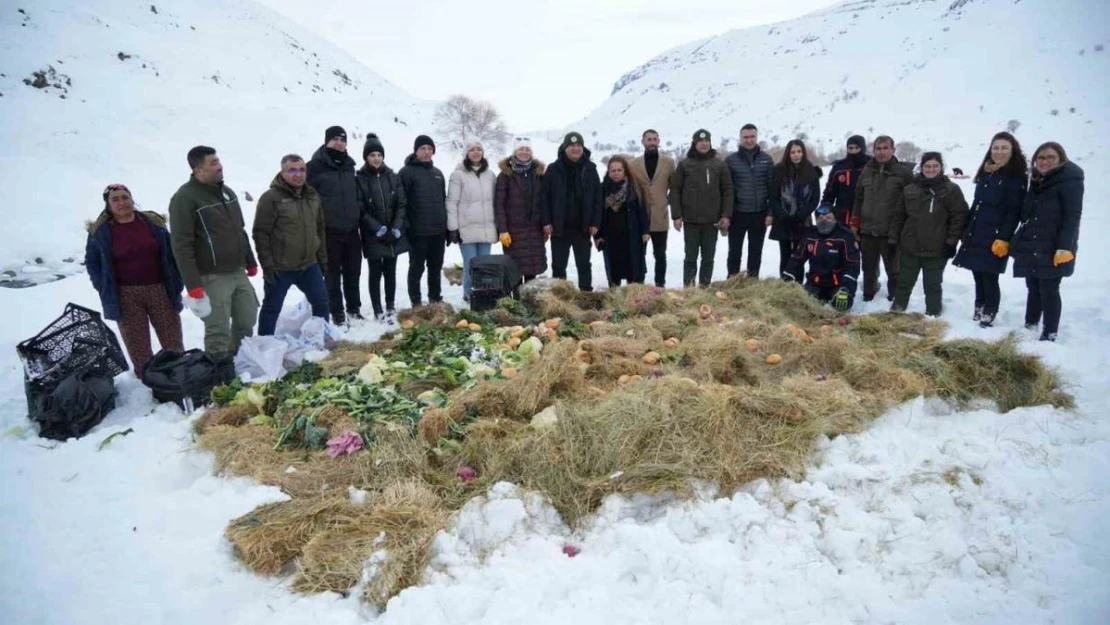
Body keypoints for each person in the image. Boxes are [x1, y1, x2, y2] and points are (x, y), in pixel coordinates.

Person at [86, 183, 184, 377]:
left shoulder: (153, 223)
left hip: (159, 289)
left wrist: (177, 280)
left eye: (125, 197)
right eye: (115, 199)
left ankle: (179, 373)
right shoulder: (100, 231)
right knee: (137, 345)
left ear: (132, 199)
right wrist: (102, 286)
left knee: (172, 339)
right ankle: (149, 379)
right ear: (108, 205)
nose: (122, 202)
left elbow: (172, 254)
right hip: (125, 294)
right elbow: (92, 262)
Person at [168, 146, 258, 356]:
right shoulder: (185, 198)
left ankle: (239, 360)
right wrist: (192, 283)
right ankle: (218, 374)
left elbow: (240, 230)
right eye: (213, 163)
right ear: (198, 170)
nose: (220, 166)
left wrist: (250, 259)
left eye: (219, 161)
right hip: (212, 276)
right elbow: (181, 244)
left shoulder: (226, 192)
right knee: (218, 329)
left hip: (237, 271)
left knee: (247, 319)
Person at [952, 132, 1027, 327]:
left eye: (1004, 148)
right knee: (977, 272)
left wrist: (1003, 237)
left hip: (995, 235)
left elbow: (1014, 212)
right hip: (977, 230)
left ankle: (989, 312)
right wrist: (966, 229)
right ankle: (979, 306)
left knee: (990, 275)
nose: (999, 152)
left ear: (1013, 151)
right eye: (996, 148)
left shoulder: (1016, 176)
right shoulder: (986, 171)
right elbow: (977, 203)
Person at [1010, 142, 1083, 342]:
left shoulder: (1070, 180)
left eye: (1050, 157)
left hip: (1053, 245)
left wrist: (1064, 247)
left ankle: (1049, 333)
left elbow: (1072, 216)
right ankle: (1030, 325)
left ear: (1061, 159)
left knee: (1049, 288)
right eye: (1040, 157)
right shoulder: (1037, 181)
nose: (1045, 161)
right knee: (1032, 285)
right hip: (1033, 241)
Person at [252, 154, 329, 336]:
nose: (298, 174)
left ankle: (321, 338)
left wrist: (322, 259)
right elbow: (260, 233)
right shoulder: (271, 198)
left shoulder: (312, 196)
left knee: (321, 302)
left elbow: (319, 228)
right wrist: (268, 265)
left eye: (302, 170)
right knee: (272, 308)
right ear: (283, 172)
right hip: (281, 267)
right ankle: (265, 345)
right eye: (292, 170)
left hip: (309, 265)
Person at [888, 152, 969, 316]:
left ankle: (933, 314)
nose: (931, 169)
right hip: (910, 246)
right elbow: (899, 216)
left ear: (941, 167)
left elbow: (959, 217)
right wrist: (893, 239)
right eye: (927, 166)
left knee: (932, 284)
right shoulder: (910, 189)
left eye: (935, 166)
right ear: (922, 167)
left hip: (937, 248)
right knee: (904, 282)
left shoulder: (951, 190)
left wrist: (952, 242)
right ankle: (897, 311)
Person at [307, 126, 363, 324]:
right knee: (332, 276)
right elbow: (307, 200)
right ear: (327, 141)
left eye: (343, 139)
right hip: (328, 232)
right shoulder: (314, 167)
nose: (339, 142)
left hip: (351, 230)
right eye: (335, 139)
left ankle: (354, 308)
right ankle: (337, 312)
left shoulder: (349, 165)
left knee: (353, 272)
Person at [851, 135, 914, 301]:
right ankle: (868, 295)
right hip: (867, 229)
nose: (882, 152)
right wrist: (855, 221)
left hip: (891, 231)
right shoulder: (867, 170)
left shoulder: (903, 173)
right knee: (868, 267)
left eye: (885, 148)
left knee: (894, 268)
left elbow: (911, 202)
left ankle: (895, 297)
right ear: (873, 151)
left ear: (893, 150)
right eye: (878, 149)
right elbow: (858, 197)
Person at [670, 129, 734, 287]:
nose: (704, 144)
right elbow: (675, 190)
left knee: (708, 258)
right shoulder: (685, 164)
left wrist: (726, 215)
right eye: (700, 141)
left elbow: (728, 190)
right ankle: (689, 288)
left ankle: (705, 287)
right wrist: (676, 216)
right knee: (690, 258)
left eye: (707, 141)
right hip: (691, 220)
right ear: (695, 143)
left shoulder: (719, 164)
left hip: (712, 221)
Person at [356, 133, 409, 322]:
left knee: (390, 271)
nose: (376, 158)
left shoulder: (392, 176)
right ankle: (377, 307)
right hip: (373, 234)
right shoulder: (360, 178)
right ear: (366, 157)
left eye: (379, 154)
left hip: (393, 233)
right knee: (375, 272)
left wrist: (396, 227)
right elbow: (360, 207)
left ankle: (390, 306)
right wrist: (377, 228)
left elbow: (401, 203)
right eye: (372, 155)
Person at [543, 131, 601, 292]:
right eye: (571, 145)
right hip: (559, 227)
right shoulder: (554, 169)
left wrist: (596, 222)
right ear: (565, 148)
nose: (575, 148)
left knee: (584, 264)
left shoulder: (590, 169)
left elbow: (598, 198)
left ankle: (586, 293)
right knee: (559, 265)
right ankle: (560, 297)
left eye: (578, 145)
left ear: (582, 148)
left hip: (583, 227)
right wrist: (546, 221)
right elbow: (544, 198)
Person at [447, 138, 498, 302]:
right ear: (467, 154)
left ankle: (482, 293)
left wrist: (498, 225)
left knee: (484, 265)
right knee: (470, 264)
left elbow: (496, 202)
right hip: (466, 229)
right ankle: (469, 293)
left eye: (479, 149)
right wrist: (453, 228)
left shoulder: (490, 175)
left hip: (486, 228)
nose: (476, 152)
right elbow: (451, 202)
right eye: (472, 149)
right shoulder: (458, 175)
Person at [400, 134, 448, 306]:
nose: (427, 152)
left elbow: (443, 201)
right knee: (416, 269)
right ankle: (416, 302)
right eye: (423, 148)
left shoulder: (438, 174)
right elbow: (401, 203)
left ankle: (435, 298)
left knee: (435, 268)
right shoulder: (406, 172)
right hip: (418, 232)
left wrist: (446, 229)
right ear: (416, 151)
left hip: (438, 231)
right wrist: (407, 228)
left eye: (429, 148)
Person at [782, 206, 860, 311]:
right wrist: (788, 275)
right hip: (815, 283)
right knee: (801, 304)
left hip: (838, 285)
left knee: (842, 304)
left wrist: (846, 287)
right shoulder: (810, 235)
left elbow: (852, 265)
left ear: (835, 219)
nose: (824, 221)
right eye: (820, 218)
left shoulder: (845, 237)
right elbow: (797, 258)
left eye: (828, 218)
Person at [724, 123, 775, 277]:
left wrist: (770, 213)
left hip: (759, 213)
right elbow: (726, 189)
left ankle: (752, 281)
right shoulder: (731, 160)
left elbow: (772, 189)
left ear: (757, 137)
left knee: (755, 251)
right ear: (740, 138)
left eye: (752, 136)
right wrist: (726, 214)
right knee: (734, 251)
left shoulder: (766, 159)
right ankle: (732, 280)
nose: (749, 140)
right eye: (745, 137)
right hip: (738, 213)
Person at [769, 139, 823, 282]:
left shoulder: (811, 171)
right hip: (783, 220)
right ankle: (785, 285)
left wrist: (802, 214)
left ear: (803, 153)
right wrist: (780, 213)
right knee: (785, 255)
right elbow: (773, 196)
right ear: (788, 154)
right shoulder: (779, 170)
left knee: (800, 255)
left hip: (802, 220)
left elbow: (815, 198)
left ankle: (798, 285)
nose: (796, 155)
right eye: (793, 152)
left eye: (799, 151)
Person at [495, 137, 547, 282]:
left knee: (532, 268)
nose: (524, 152)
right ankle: (516, 300)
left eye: (527, 149)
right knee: (515, 269)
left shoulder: (538, 174)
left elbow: (543, 202)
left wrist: (545, 225)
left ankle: (529, 298)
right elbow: (499, 204)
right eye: (521, 149)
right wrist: (503, 230)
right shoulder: (505, 175)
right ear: (514, 152)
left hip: (535, 229)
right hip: (513, 231)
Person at [629, 129, 676, 287]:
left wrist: (665, 201)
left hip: (660, 215)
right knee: (638, 254)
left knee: (660, 254)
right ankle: (638, 284)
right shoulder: (633, 164)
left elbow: (674, 187)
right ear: (643, 142)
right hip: (639, 217)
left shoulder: (669, 163)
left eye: (654, 139)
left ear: (659, 141)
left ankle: (660, 285)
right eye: (649, 139)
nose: (652, 142)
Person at [596, 155, 650, 287]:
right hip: (611, 237)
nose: (616, 173)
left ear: (625, 171)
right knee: (614, 272)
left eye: (619, 170)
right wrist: (598, 235)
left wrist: (645, 231)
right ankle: (615, 299)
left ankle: (633, 299)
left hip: (632, 236)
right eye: (613, 170)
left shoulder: (634, 188)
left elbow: (642, 211)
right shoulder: (602, 189)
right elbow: (598, 213)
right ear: (608, 172)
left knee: (633, 271)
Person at [820, 135, 869, 226]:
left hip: (867, 215)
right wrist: (824, 211)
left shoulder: (871, 165)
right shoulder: (839, 168)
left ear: (862, 148)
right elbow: (829, 194)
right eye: (850, 148)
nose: (853, 151)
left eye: (857, 148)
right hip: (843, 216)